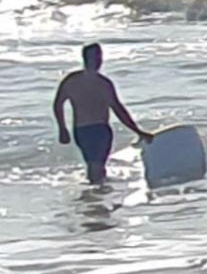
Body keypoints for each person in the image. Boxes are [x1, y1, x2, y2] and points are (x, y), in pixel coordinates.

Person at [54, 45, 143, 184]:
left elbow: (118, 109)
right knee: (95, 167)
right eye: (94, 57)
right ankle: (97, 196)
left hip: (102, 130)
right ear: (85, 58)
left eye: (99, 57)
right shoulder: (72, 81)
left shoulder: (105, 83)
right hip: (82, 130)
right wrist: (62, 129)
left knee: (97, 167)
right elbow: (58, 104)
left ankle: (96, 197)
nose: (98, 60)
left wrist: (138, 131)